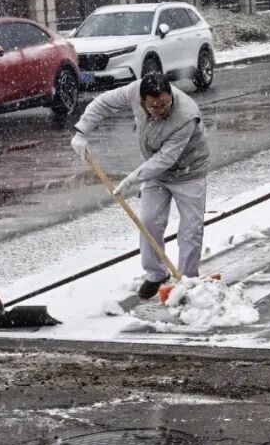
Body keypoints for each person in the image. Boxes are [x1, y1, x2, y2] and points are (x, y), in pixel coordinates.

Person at [70, 73, 210, 300]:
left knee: (191, 228)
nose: (162, 110)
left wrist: (132, 179)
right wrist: (82, 132)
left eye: (165, 103)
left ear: (170, 94)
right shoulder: (134, 91)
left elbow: (165, 158)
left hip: (189, 173)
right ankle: (156, 274)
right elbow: (103, 103)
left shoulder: (186, 115)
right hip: (156, 174)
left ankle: (187, 281)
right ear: (142, 100)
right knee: (149, 221)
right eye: (154, 107)